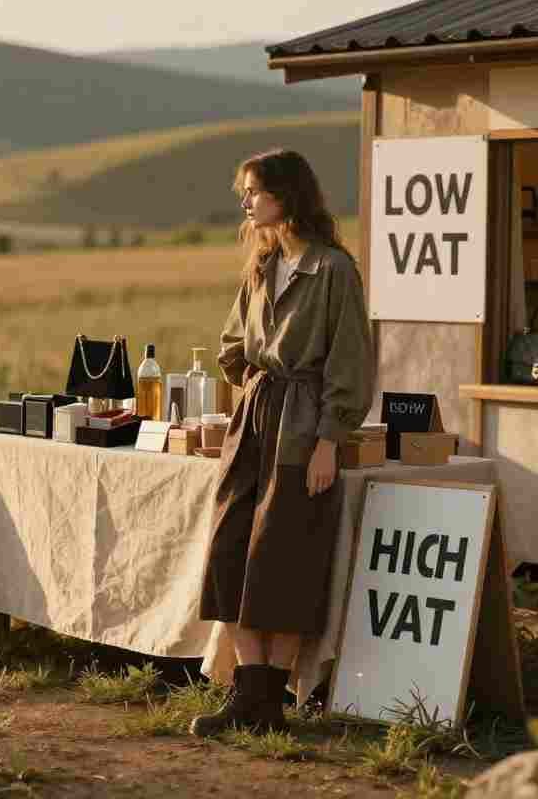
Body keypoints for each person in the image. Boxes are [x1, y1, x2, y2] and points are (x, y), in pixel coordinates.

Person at [190, 148, 374, 737]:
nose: (245, 201)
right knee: (231, 552)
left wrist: (328, 441)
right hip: (253, 423)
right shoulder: (261, 266)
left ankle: (267, 702)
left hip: (304, 428)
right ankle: (251, 696)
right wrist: (253, 390)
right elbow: (230, 345)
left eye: (253, 191)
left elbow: (350, 365)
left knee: (285, 560)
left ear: (286, 196)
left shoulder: (334, 271)